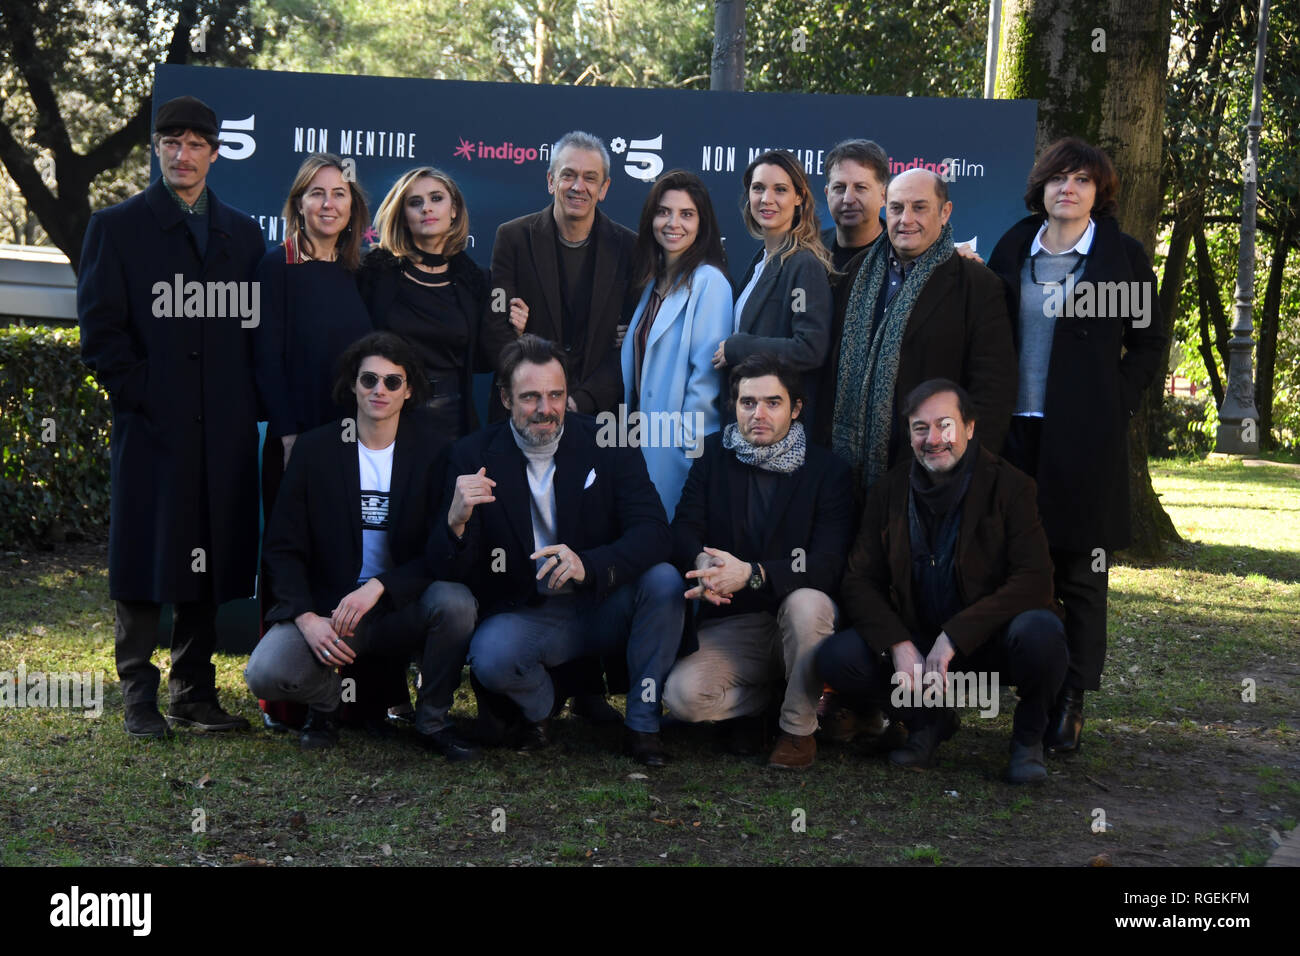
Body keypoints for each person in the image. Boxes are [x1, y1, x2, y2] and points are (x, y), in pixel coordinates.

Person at [77, 95, 264, 738]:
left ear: (215, 152)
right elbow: (101, 334)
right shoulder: (117, 226)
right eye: (171, 142)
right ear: (157, 150)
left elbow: (251, 333)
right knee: (142, 556)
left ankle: (193, 691)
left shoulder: (243, 234)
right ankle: (137, 695)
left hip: (223, 432)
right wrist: (143, 395)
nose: (182, 154)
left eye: (195, 143)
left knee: (205, 554)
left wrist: (241, 407)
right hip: (152, 428)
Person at [988, 138, 1167, 755]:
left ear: (1100, 192)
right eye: (1058, 178)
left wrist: (1114, 402)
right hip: (1014, 435)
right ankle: (1019, 691)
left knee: (1083, 573)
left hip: (1085, 440)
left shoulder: (1122, 257)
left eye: (1083, 181)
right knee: (1013, 564)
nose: (1069, 189)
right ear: (1040, 188)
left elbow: (1148, 345)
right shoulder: (1013, 247)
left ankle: (1072, 698)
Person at [431, 334, 684, 766]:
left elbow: (654, 533)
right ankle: (543, 708)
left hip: (602, 601)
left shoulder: (609, 441)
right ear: (506, 398)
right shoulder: (471, 454)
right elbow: (449, 568)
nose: (546, 409)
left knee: (664, 580)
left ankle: (643, 726)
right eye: (530, 397)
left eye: (556, 395)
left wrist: (589, 564)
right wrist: (455, 520)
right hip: (528, 611)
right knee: (491, 658)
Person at [816, 379, 1067, 784]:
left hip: (989, 642)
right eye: (920, 428)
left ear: (969, 427)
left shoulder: (1012, 487)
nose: (933, 439)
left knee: (1042, 631)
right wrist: (897, 644)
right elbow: (858, 580)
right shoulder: (888, 492)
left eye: (944, 425)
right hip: (916, 644)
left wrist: (954, 638)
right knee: (838, 656)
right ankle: (926, 723)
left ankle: (1027, 741)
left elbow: (1035, 580)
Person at [245, 332, 479, 759]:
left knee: (457, 602)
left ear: (409, 390)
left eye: (393, 382)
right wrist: (306, 617)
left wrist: (380, 587)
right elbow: (282, 547)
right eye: (369, 379)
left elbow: (439, 555)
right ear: (353, 384)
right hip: (332, 610)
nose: (379, 390)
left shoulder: (435, 453)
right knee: (265, 672)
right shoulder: (315, 450)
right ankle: (327, 705)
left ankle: (433, 722)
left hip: (398, 604)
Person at [664, 355, 854, 769]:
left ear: (796, 408)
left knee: (808, 603)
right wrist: (704, 563)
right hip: (737, 621)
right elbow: (683, 529)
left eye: (773, 402)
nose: (759, 414)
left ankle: (797, 730)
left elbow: (828, 564)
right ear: (734, 405)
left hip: (802, 620)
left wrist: (752, 574)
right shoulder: (714, 454)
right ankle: (765, 707)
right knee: (682, 697)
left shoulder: (828, 471)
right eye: (747, 402)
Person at [825, 168, 1017, 493]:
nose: (906, 219)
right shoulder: (855, 273)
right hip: (845, 473)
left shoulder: (977, 285)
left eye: (920, 207)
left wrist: (962, 470)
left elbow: (993, 389)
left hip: (929, 472)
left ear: (945, 212)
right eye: (897, 208)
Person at [485, 131, 637, 419]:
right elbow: (496, 326)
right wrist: (536, 393)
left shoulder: (630, 248)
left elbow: (631, 347)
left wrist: (583, 400)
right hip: (525, 409)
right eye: (568, 175)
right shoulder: (512, 238)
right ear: (551, 181)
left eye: (590, 178)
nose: (578, 186)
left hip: (598, 415)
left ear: (603, 188)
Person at [254, 152, 372, 500]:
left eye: (339, 193)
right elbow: (265, 360)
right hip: (296, 440)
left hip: (352, 438)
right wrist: (288, 437)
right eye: (316, 193)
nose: (328, 203)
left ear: (352, 207)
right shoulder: (276, 267)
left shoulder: (359, 273)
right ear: (299, 203)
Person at [620, 169, 732, 516]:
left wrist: (687, 451)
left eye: (687, 214)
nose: (673, 223)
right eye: (664, 211)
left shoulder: (709, 282)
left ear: (702, 224)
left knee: (669, 553)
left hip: (676, 454)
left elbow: (706, 381)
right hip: (637, 442)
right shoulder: (653, 282)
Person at [358, 166, 491, 454]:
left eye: (436, 198)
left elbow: (481, 361)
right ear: (403, 216)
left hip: (450, 422)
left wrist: (513, 329)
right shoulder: (374, 272)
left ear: (454, 209)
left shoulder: (475, 280)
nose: (426, 208)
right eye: (415, 202)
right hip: (384, 413)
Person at [716, 150, 833, 430]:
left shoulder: (803, 265)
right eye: (758, 188)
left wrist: (739, 347)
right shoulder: (761, 259)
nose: (767, 199)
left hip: (779, 431)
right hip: (748, 423)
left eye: (780, 189)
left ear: (799, 198)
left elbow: (809, 348)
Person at [820, 139, 890, 272]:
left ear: (883, 196)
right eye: (839, 187)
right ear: (827, 193)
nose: (848, 199)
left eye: (860, 187)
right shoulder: (811, 250)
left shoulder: (899, 256)